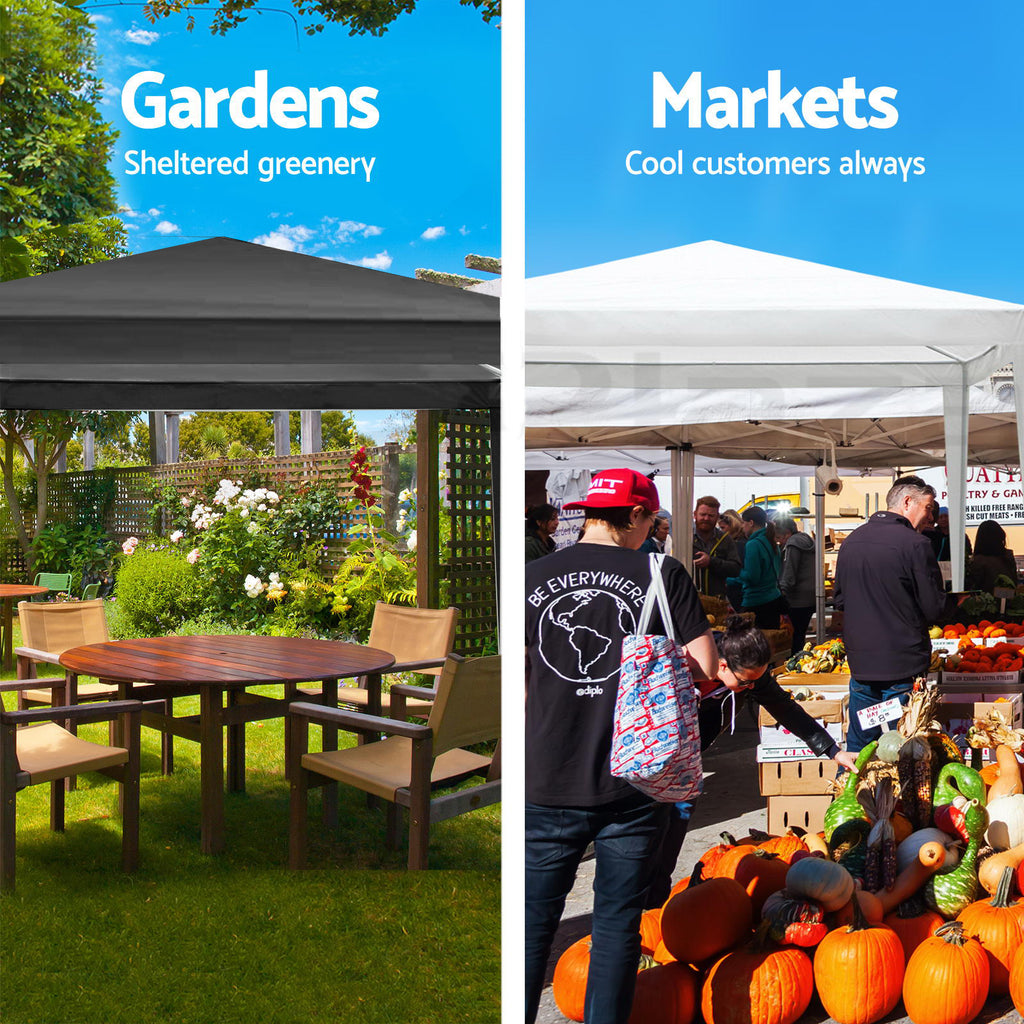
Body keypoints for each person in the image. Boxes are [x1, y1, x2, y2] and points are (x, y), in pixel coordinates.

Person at [525, 468, 718, 1024]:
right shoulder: (663, 571)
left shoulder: (532, 574)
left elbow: (518, 685)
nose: (652, 530)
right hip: (634, 776)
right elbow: (705, 665)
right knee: (615, 923)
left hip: (548, 772)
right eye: (651, 520)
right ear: (634, 515)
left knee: (532, 922)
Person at [645, 616, 859, 907]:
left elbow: (784, 708)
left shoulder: (749, 675)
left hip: (686, 769)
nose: (752, 688)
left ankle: (654, 909)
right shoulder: (676, 665)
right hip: (649, 768)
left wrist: (833, 750)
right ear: (722, 666)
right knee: (643, 848)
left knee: (668, 845)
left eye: (757, 680)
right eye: (746, 682)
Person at [833, 475, 948, 754]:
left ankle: (852, 793)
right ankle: (903, 797)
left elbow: (839, 600)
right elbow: (934, 608)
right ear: (908, 502)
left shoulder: (852, 541)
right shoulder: (915, 544)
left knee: (861, 746)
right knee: (904, 748)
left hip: (862, 664)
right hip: (902, 664)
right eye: (929, 508)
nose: (930, 517)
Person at [726, 506, 784, 629]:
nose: (742, 527)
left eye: (743, 523)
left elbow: (752, 577)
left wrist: (730, 577)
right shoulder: (772, 542)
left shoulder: (753, 544)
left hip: (756, 602)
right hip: (774, 599)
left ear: (751, 523)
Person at [775, 515, 816, 653]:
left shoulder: (793, 545)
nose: (778, 542)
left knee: (794, 637)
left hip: (796, 599)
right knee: (800, 634)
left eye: (779, 537)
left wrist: (782, 594)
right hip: (809, 597)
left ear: (787, 533)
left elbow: (789, 572)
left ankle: (795, 665)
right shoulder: (807, 540)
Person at [692, 495, 742, 600]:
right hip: (690, 600)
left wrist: (711, 562)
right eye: (703, 514)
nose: (706, 518)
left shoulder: (725, 539)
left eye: (711, 515)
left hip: (717, 602)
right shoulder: (684, 538)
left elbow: (736, 568)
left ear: (717, 516)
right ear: (695, 514)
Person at [967, 519, 1018, 592]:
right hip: (1008, 599)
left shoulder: (978, 561)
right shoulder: (1008, 557)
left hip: (987, 601)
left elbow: (974, 588)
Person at [720, 509, 747, 610]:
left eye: (723, 527)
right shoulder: (741, 542)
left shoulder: (739, 545)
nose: (721, 531)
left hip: (739, 593)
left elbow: (741, 572)